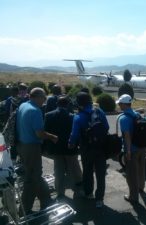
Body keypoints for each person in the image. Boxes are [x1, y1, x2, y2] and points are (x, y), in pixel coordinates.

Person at [16, 87, 58, 215]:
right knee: (32, 178)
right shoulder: (35, 111)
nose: (44, 101)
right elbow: (39, 133)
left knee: (35, 174)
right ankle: (24, 209)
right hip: (31, 147)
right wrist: (52, 137)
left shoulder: (23, 105)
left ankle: (46, 199)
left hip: (21, 145)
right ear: (37, 97)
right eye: (43, 98)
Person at [68, 92, 109, 208]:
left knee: (87, 171)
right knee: (101, 173)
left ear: (80, 103)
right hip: (101, 148)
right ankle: (99, 199)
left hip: (86, 149)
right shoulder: (99, 111)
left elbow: (74, 134)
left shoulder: (78, 117)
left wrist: (70, 144)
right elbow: (106, 127)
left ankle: (89, 193)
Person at [44, 96, 83, 200]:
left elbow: (45, 132)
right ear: (68, 104)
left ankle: (60, 193)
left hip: (56, 148)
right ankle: (78, 189)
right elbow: (76, 133)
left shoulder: (48, 115)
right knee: (75, 169)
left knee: (58, 170)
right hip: (70, 148)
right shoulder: (72, 116)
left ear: (57, 104)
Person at [116, 94, 146, 203]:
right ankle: (141, 188)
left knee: (131, 174)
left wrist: (127, 151)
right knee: (141, 169)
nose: (119, 105)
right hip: (142, 147)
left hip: (132, 150)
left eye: (120, 103)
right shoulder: (137, 114)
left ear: (124, 104)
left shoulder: (124, 118)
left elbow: (127, 136)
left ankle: (133, 197)